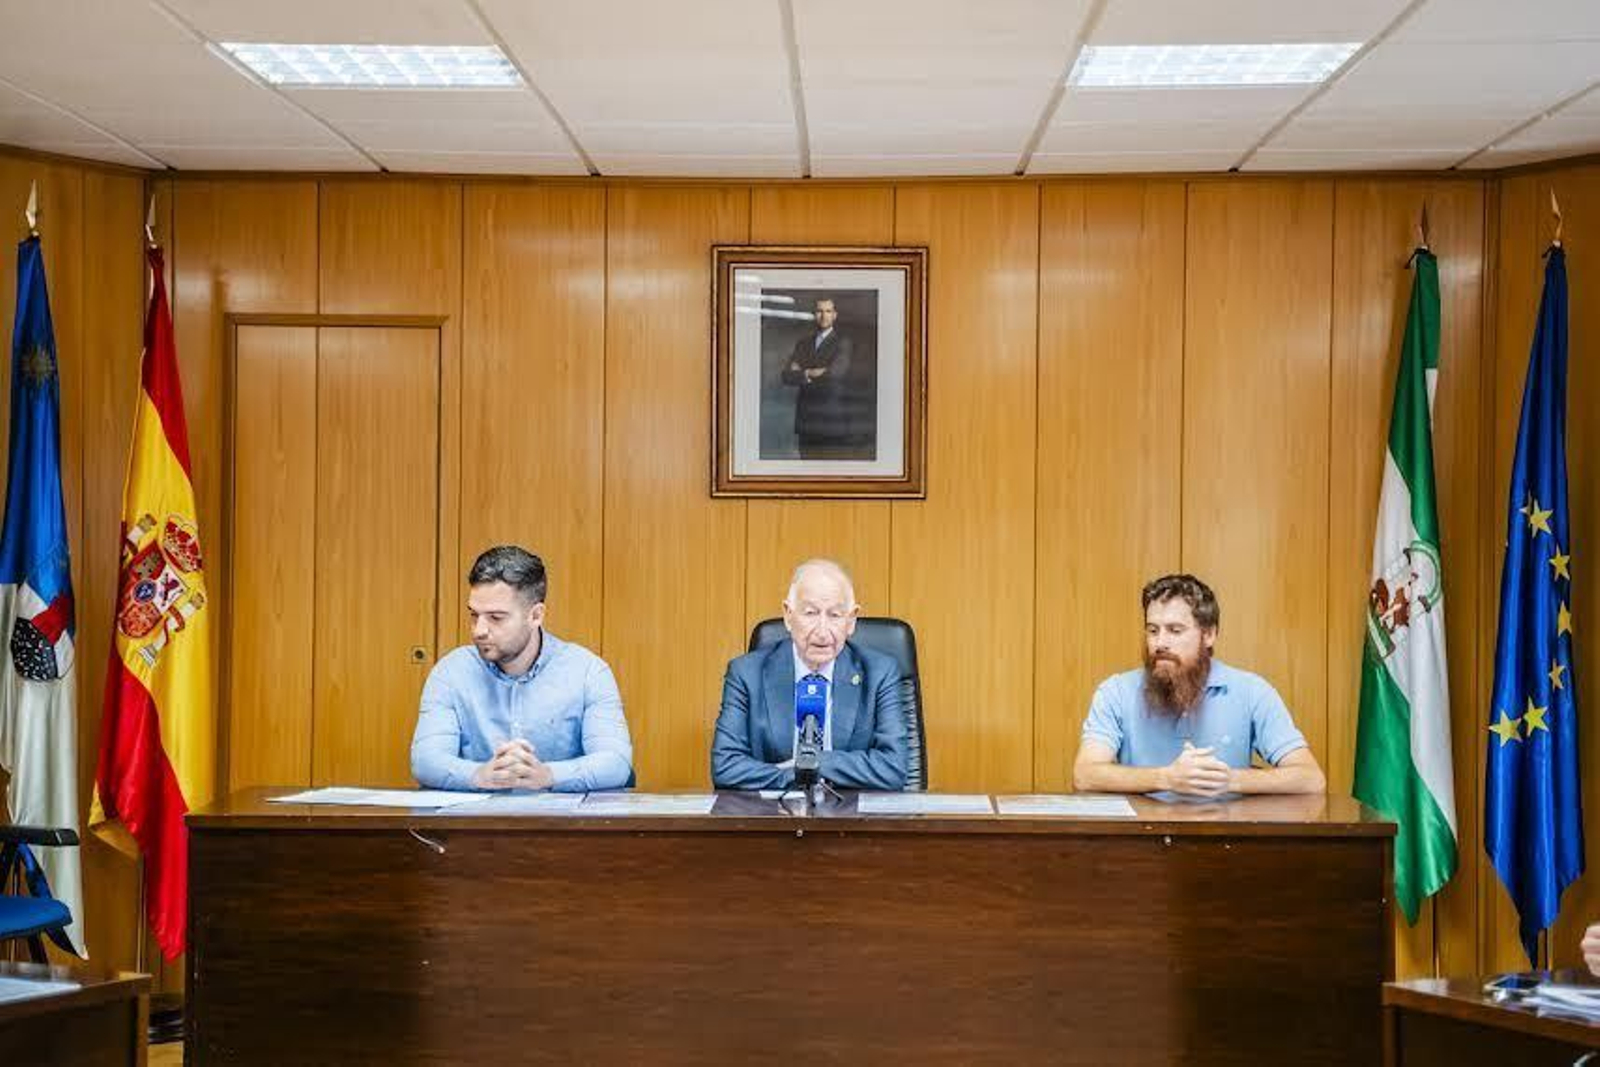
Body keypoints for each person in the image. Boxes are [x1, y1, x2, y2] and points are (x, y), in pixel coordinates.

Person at [1073, 573, 1326, 798]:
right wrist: (1167, 778)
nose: (1160, 642)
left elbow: (1310, 779)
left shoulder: (1252, 691)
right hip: (1141, 843)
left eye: (1175, 630)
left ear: (1209, 635)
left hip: (1227, 842)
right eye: (1152, 630)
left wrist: (1230, 780)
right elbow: (1085, 775)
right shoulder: (1115, 692)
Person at [411, 545, 632, 792]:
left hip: (561, 827)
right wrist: (477, 776)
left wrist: (548, 776)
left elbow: (616, 763)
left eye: (496, 617)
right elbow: (426, 760)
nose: (478, 630)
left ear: (536, 616)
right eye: (474, 615)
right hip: (474, 827)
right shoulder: (450, 673)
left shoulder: (588, 672)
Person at [712, 559, 906, 791]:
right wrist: (796, 776)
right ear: (788, 615)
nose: (822, 631)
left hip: (850, 820)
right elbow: (725, 766)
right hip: (773, 820)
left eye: (835, 615)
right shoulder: (746, 674)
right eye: (811, 613)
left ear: (851, 620)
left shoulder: (879, 673)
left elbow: (893, 768)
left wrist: (816, 763)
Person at [780, 298, 858, 459]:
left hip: (831, 420)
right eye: (819, 311)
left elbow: (836, 373)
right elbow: (786, 376)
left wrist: (802, 371)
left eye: (828, 311)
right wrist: (811, 373)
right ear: (814, 315)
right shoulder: (803, 344)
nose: (824, 316)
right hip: (806, 421)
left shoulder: (843, 343)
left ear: (835, 315)